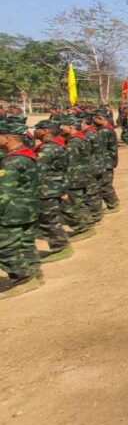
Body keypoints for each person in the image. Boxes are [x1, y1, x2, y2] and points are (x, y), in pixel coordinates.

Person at [0, 114, 43, 299]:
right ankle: (34, 272)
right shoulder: (26, 154)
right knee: (26, 243)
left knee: (5, 247)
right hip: (29, 209)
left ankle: (23, 278)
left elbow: (3, 193)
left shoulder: (12, 162)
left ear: (8, 138)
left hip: (13, 212)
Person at [33, 118, 74, 263]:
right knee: (52, 216)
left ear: (45, 131)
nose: (34, 131)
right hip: (53, 185)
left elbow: (37, 169)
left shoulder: (49, 148)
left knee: (48, 219)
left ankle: (61, 247)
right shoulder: (51, 145)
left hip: (48, 187)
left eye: (37, 128)